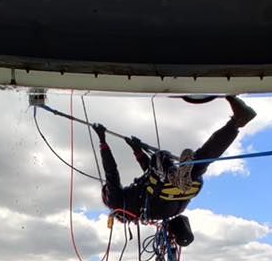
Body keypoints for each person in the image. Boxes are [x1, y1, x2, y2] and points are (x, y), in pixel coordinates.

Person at [93, 96, 256, 247]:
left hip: (176, 201)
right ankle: (177, 174)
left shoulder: (136, 207)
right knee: (160, 158)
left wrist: (137, 151)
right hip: (165, 195)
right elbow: (111, 173)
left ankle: (236, 122)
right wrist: (102, 142)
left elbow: (148, 178)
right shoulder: (115, 202)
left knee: (199, 162)